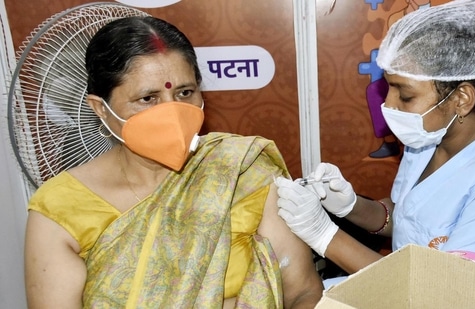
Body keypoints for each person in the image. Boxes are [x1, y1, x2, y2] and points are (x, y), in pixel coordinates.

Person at [24, 16, 323, 308]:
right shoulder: (60, 209)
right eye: (148, 98)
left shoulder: (240, 169)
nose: (173, 112)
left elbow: (302, 294)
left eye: (184, 92)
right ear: (100, 108)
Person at [275, 0, 475, 274]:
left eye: (405, 95)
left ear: (462, 98)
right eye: (388, 89)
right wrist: (350, 206)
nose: (389, 106)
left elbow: (443, 291)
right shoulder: (432, 135)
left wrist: (323, 235)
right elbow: (409, 220)